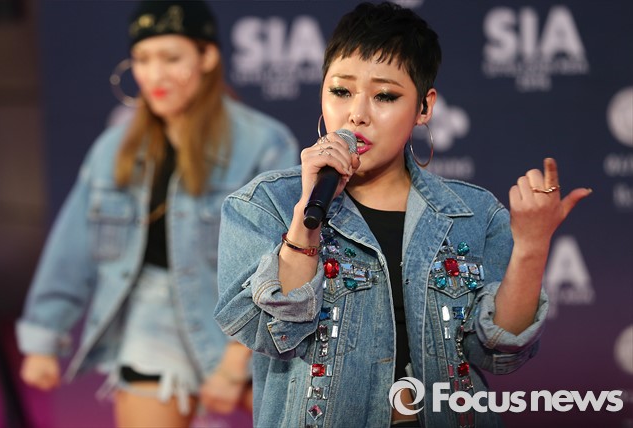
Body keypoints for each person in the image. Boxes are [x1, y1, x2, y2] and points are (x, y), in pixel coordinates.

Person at [214, 2, 592, 427]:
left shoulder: (472, 213)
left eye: (385, 96)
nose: (357, 114)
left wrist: (532, 246)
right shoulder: (265, 204)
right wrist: (305, 217)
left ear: (424, 107)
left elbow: (499, 351)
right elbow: (267, 331)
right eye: (341, 91)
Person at [15, 1, 299, 427]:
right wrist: (44, 339)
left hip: (245, 327)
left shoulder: (264, 143)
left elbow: (280, 264)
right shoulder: (114, 148)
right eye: (143, 59)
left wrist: (233, 364)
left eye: (170, 58)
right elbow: (71, 249)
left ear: (207, 57)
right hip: (151, 321)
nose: (154, 75)